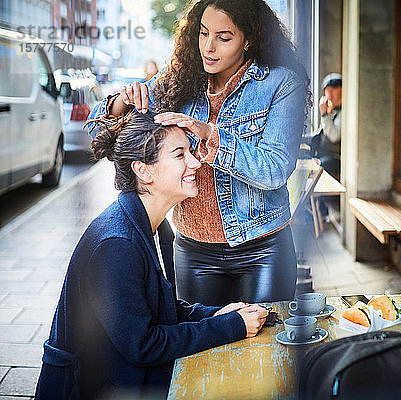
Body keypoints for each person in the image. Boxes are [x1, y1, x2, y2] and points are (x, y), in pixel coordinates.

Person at [87, 0, 310, 306]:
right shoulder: (179, 81)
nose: (209, 47)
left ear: (249, 39)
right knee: (203, 347)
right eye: (204, 33)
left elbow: (275, 169)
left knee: (260, 345)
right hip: (193, 249)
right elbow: (94, 127)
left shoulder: (280, 83)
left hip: (263, 249)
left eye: (223, 37)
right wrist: (119, 104)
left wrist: (211, 136)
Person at [35, 111, 269, 400]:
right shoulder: (117, 244)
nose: (196, 162)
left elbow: (160, 309)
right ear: (143, 170)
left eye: (191, 151)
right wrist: (230, 327)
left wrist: (217, 313)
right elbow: (144, 344)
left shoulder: (158, 227)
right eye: (180, 155)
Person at [313, 72, 342, 179]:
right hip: (322, 153)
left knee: (320, 164)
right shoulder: (332, 110)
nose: (329, 95)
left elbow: (334, 137)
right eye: (327, 91)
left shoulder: (344, 112)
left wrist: (324, 114)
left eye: (333, 90)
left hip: (335, 158)